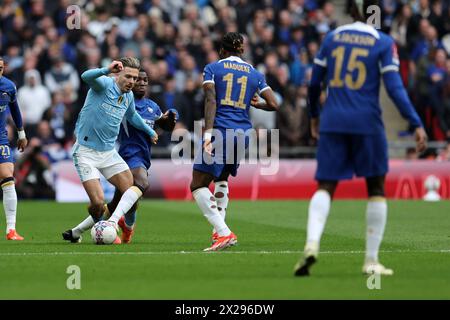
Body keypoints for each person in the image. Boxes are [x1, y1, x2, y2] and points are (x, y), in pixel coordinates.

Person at [294, 0, 428, 277]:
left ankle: (311, 243)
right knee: (376, 188)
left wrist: (315, 116)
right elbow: (394, 88)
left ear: (352, 10)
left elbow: (314, 83)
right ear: (375, 12)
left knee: (326, 185)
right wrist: (415, 122)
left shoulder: (332, 38)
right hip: (367, 122)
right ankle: (370, 261)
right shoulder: (383, 41)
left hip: (333, 120)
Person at [63, 69, 177, 243]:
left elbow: (158, 123)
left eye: (143, 80)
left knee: (124, 199)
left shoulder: (150, 105)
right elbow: (86, 77)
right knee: (135, 187)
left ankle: (78, 231)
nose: (139, 82)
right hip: (123, 153)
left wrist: (169, 120)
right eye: (134, 78)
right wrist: (107, 70)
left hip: (124, 154)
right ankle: (114, 223)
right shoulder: (111, 89)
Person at [190, 32, 278, 252]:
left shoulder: (213, 68)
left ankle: (223, 232)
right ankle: (218, 232)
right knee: (221, 178)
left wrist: (208, 133)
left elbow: (211, 99)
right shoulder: (255, 73)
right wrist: (257, 106)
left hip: (221, 131)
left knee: (198, 184)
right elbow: (274, 103)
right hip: (244, 134)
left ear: (222, 50)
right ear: (242, 50)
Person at [0, 56, 28, 240]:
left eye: (0, 67)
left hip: (1, 139)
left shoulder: (8, 86)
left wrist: (21, 133)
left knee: (8, 177)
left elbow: (15, 109)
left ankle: (11, 229)